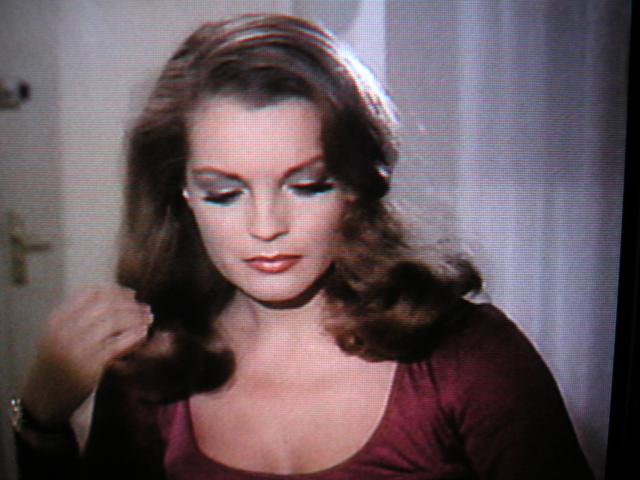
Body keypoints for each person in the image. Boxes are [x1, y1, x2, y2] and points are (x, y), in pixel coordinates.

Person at [12, 14, 594, 480]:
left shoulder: (468, 358)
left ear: (358, 180)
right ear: (182, 191)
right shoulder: (157, 367)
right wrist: (40, 418)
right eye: (224, 193)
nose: (266, 227)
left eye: (308, 185)